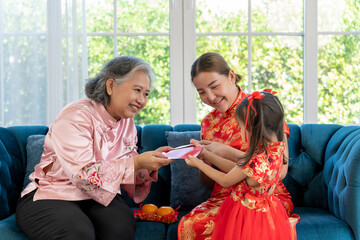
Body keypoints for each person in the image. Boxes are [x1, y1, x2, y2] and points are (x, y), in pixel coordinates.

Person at [16, 56, 173, 240]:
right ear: (111, 86)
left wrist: (150, 164)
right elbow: (83, 173)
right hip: (52, 194)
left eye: (146, 94)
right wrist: (137, 161)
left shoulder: (127, 124)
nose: (141, 100)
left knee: (120, 227)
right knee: (78, 233)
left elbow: (128, 171)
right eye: (137, 90)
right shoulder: (75, 115)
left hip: (97, 197)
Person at [178, 52, 293, 239]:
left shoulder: (261, 107)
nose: (211, 97)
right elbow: (211, 182)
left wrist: (226, 152)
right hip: (225, 197)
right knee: (191, 223)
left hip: (264, 197)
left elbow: (279, 170)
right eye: (201, 92)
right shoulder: (208, 123)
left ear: (231, 76)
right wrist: (203, 157)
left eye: (214, 86)